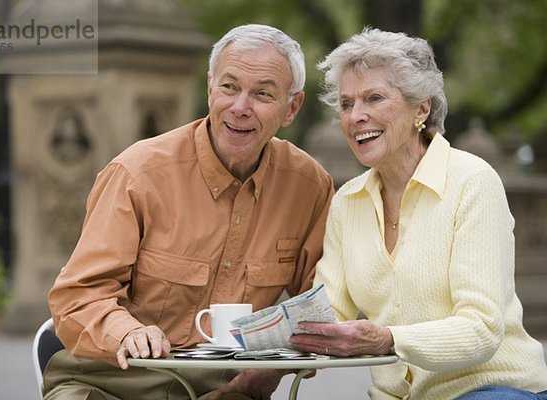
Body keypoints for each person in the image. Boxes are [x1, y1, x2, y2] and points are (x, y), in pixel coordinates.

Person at [44, 24, 334, 400]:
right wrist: (127, 332)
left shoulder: (308, 186)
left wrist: (258, 380)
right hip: (108, 384)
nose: (240, 107)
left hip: (228, 392)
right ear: (210, 88)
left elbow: (321, 304)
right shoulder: (137, 174)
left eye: (262, 93)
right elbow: (76, 297)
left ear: (291, 107)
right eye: (229, 87)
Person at [290, 28, 547, 399]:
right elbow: (327, 314)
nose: (356, 116)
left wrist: (388, 339)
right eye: (346, 104)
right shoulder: (347, 201)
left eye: (373, 98)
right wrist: (257, 339)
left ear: (421, 108)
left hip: (492, 389)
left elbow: (481, 329)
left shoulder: (473, 182)